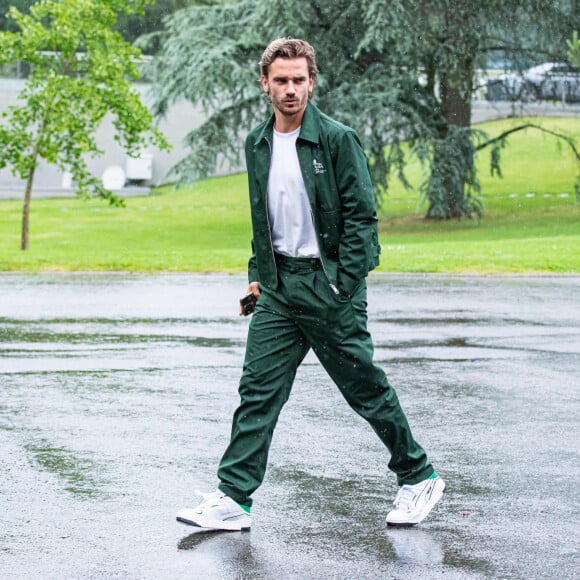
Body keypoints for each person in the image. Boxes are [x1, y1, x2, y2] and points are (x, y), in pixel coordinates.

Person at [177, 38, 444, 531]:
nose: (291, 89)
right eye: (281, 80)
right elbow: (264, 216)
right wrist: (257, 275)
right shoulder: (257, 143)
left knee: (363, 388)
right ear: (265, 85)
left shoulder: (338, 140)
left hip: (329, 287)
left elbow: (363, 218)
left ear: (312, 82)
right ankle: (234, 498)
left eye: (299, 80)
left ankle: (418, 475)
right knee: (257, 391)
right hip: (279, 288)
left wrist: (344, 284)